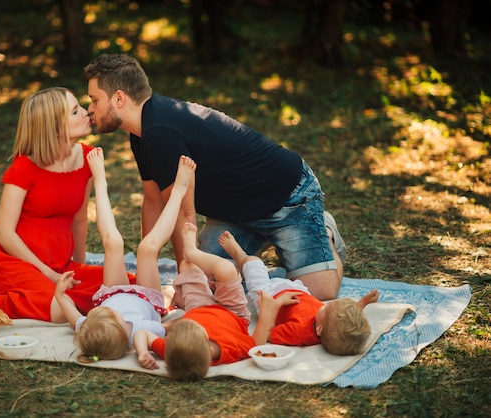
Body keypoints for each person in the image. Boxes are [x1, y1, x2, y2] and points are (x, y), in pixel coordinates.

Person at [83, 53, 346, 300]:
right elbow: (154, 201)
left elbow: (181, 214)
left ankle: (323, 230)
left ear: (119, 98)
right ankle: (262, 243)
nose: (89, 109)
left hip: (287, 198)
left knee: (320, 293)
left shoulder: (160, 134)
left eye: (94, 100)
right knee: (211, 285)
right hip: (234, 214)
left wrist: (186, 278)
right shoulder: (141, 133)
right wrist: (146, 265)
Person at [0, 87, 128, 322]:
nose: (86, 113)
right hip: (13, 259)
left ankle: (43, 294)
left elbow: (79, 219)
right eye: (74, 111)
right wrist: (47, 273)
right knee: (59, 309)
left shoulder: (88, 159)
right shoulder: (24, 167)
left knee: (124, 283)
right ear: (54, 127)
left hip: (58, 259)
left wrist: (76, 267)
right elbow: (4, 234)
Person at [55, 149, 197, 365]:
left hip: (112, 292)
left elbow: (70, 311)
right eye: (112, 315)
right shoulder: (141, 330)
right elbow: (171, 326)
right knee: (147, 248)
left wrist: (60, 293)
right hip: (146, 297)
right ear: (122, 330)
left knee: (113, 243)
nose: (110, 313)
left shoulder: (91, 330)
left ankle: (100, 181)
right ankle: (178, 191)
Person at [220, 230, 379, 355]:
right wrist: (363, 302)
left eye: (327, 307)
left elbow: (267, 333)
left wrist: (278, 303)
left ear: (319, 330)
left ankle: (239, 255)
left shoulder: (298, 333)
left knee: (253, 265)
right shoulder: (332, 324)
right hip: (296, 290)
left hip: (269, 298)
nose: (327, 303)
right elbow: (347, 320)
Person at [133, 222, 257, 381]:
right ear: (210, 351)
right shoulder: (233, 348)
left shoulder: (175, 351)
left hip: (197, 307)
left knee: (186, 265)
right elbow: (256, 343)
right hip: (233, 313)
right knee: (225, 269)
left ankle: (190, 259)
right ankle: (192, 252)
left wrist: (143, 352)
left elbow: (141, 334)